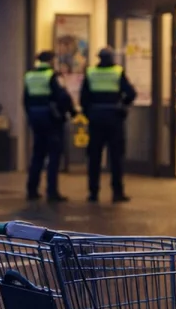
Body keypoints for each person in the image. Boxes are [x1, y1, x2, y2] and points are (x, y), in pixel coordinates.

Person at [81, 46, 137, 202]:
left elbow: (83, 98)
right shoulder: (117, 72)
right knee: (116, 157)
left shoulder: (91, 72)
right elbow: (131, 93)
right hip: (114, 118)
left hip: (96, 118)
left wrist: (89, 114)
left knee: (94, 157)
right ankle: (117, 192)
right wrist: (123, 106)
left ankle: (93, 192)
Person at [23, 50, 77, 202]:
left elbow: (25, 100)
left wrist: (31, 116)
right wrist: (70, 112)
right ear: (51, 60)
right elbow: (63, 97)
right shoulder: (53, 76)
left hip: (36, 119)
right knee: (54, 155)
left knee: (37, 154)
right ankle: (52, 191)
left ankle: (32, 189)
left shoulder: (29, 76)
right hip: (52, 120)